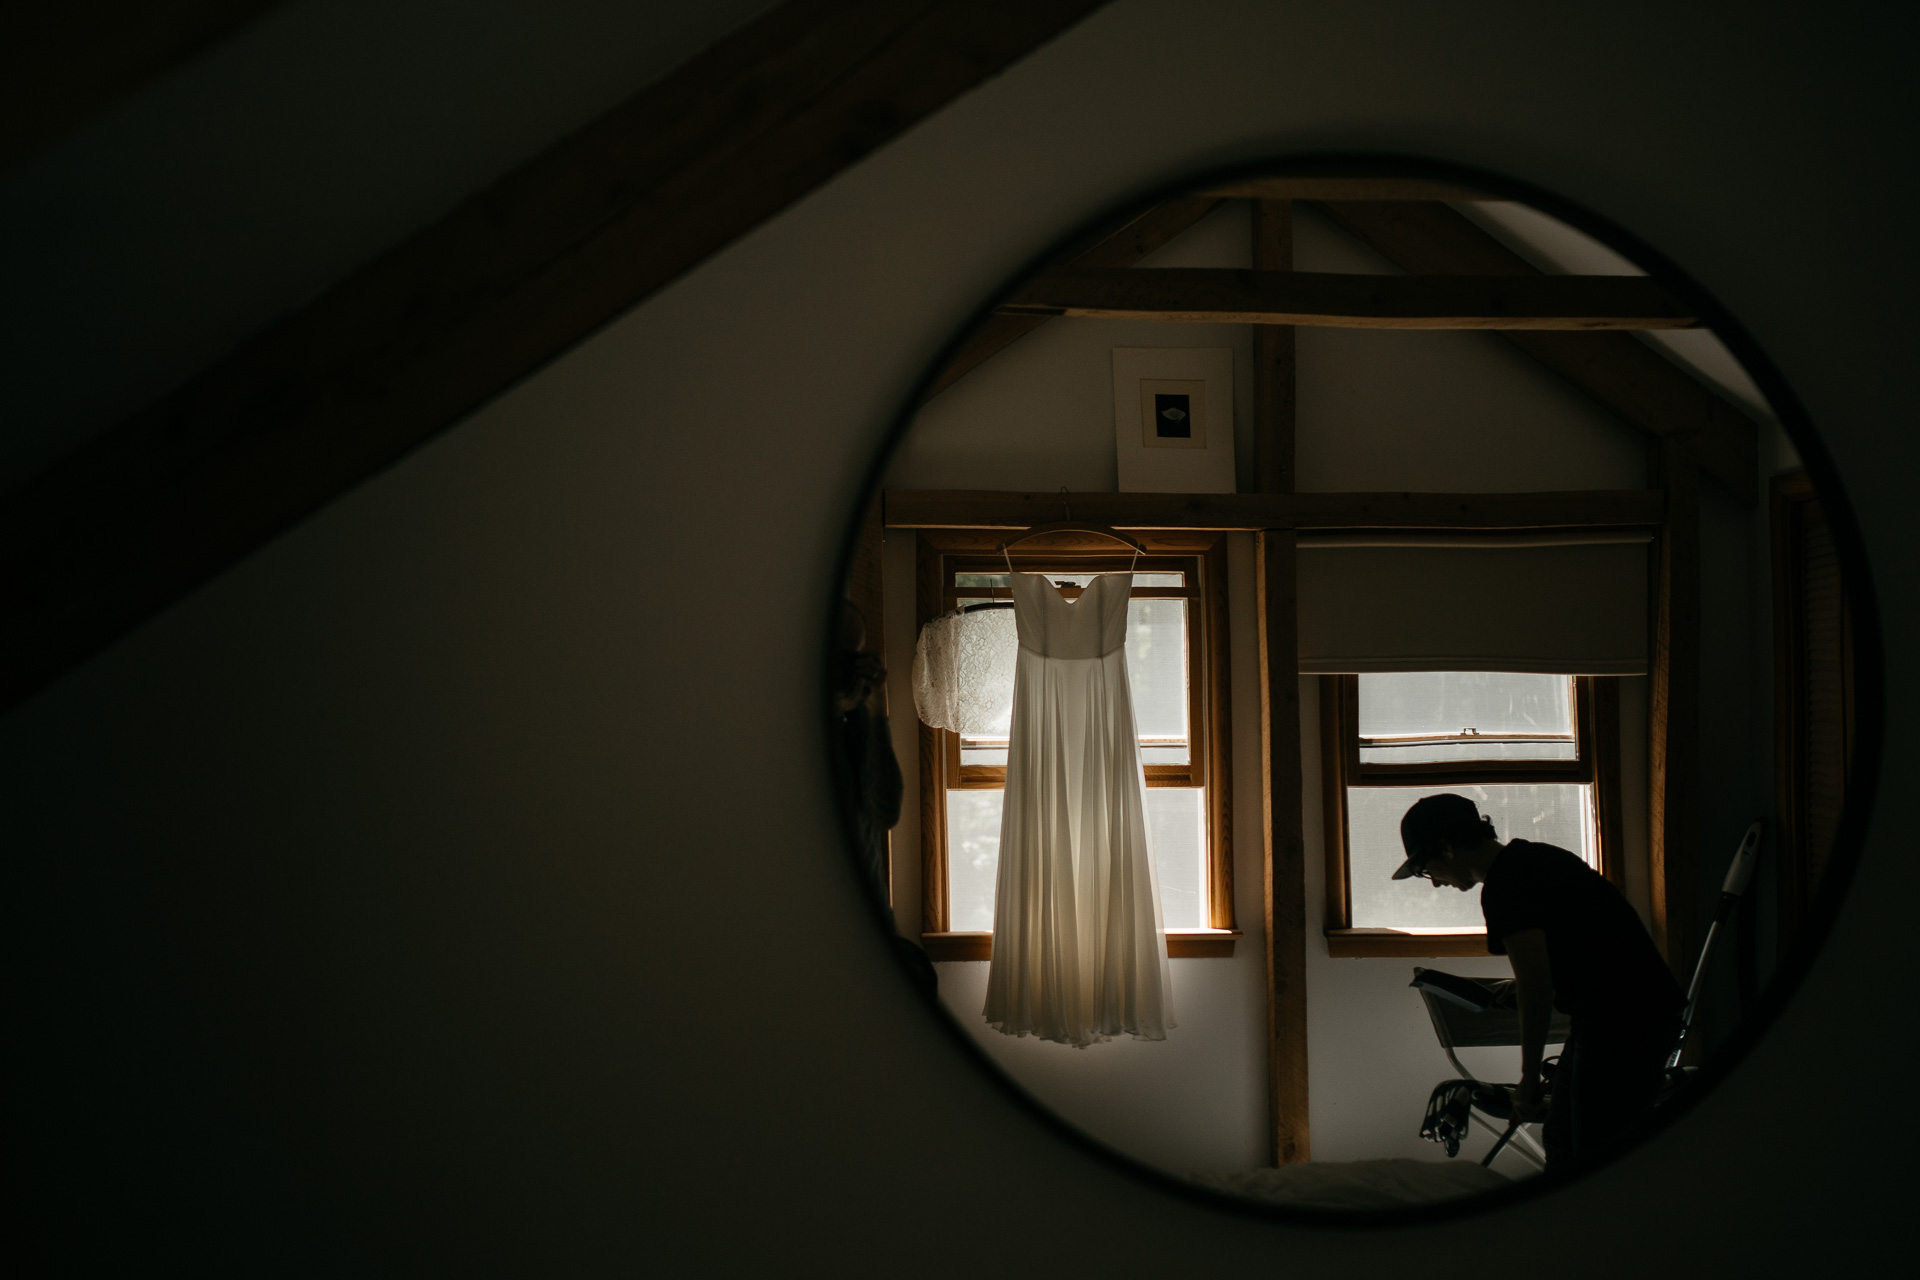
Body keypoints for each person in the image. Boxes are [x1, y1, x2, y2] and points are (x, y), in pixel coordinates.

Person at [1394, 794, 1683, 1172]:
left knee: (1596, 1155)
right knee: (1562, 1136)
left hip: (1625, 1026)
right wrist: (1534, 981)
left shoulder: (1504, 887)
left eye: (1423, 868)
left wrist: (1528, 1080)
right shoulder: (1532, 858)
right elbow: (1573, 943)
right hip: (1622, 1017)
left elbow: (1536, 988)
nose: (1432, 883)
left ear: (1446, 849)